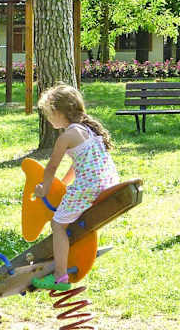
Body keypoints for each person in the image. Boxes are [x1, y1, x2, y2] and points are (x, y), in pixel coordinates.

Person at [31, 84, 119, 291]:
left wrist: (44, 188)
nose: (48, 118)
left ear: (60, 112)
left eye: (49, 113)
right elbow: (77, 163)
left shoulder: (66, 137)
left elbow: (51, 167)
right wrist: (64, 182)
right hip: (107, 182)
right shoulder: (88, 129)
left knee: (58, 225)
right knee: (71, 219)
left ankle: (60, 277)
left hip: (89, 186)